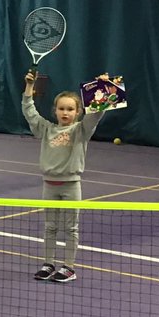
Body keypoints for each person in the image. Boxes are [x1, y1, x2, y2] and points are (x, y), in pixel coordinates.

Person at [21, 71, 106, 283]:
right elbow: (30, 112)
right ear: (55, 111)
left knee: (71, 228)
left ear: (78, 112)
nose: (65, 112)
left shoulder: (81, 131)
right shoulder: (46, 130)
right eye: (61, 109)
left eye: (70, 109)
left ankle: (69, 267)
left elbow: (95, 115)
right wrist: (29, 87)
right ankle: (48, 263)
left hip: (71, 186)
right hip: (49, 185)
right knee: (50, 227)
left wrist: (101, 89)